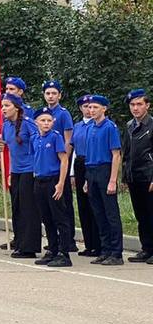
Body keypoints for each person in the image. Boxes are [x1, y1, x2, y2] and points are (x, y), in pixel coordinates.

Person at [80, 95, 124, 266]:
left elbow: (116, 155)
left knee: (111, 213)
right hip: (91, 171)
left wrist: (113, 179)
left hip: (105, 170)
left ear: (104, 109)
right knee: (98, 213)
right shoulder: (90, 127)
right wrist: (86, 179)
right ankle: (105, 250)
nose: (91, 111)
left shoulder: (109, 127)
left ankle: (116, 252)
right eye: (89, 107)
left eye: (95, 107)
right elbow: (88, 155)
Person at [0, 94, 39, 258]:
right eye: (2, 106)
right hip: (15, 171)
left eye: (7, 105)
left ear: (16, 107)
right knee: (17, 207)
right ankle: (20, 242)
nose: (3, 109)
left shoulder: (29, 124)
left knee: (28, 208)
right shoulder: (6, 125)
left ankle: (30, 246)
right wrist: (0, 145)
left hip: (29, 170)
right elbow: (7, 147)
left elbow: (38, 145)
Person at [30, 107, 71, 267]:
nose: (46, 123)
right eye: (43, 120)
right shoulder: (35, 138)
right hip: (39, 180)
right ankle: (52, 249)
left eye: (49, 120)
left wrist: (60, 183)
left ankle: (64, 252)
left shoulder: (55, 137)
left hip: (53, 180)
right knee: (46, 218)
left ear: (53, 122)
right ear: (36, 122)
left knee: (59, 217)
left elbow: (64, 159)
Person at [41, 81, 78, 254]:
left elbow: (68, 140)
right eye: (48, 93)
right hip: (48, 163)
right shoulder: (43, 114)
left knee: (64, 202)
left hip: (61, 160)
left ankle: (68, 240)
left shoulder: (63, 114)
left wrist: (65, 160)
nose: (50, 96)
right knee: (50, 205)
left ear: (59, 95)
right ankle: (54, 240)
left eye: (54, 93)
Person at [123, 89, 153, 263]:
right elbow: (126, 154)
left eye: (139, 104)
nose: (135, 108)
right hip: (135, 176)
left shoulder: (151, 125)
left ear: (147, 106)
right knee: (141, 215)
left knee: (151, 213)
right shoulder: (129, 126)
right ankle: (146, 248)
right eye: (132, 105)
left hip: (148, 176)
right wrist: (125, 177)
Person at [71, 95, 101, 257]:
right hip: (80, 163)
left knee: (94, 204)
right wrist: (72, 173)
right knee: (83, 206)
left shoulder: (97, 125)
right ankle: (89, 244)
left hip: (92, 162)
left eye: (92, 106)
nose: (89, 110)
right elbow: (73, 150)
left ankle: (98, 243)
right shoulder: (78, 126)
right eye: (85, 107)